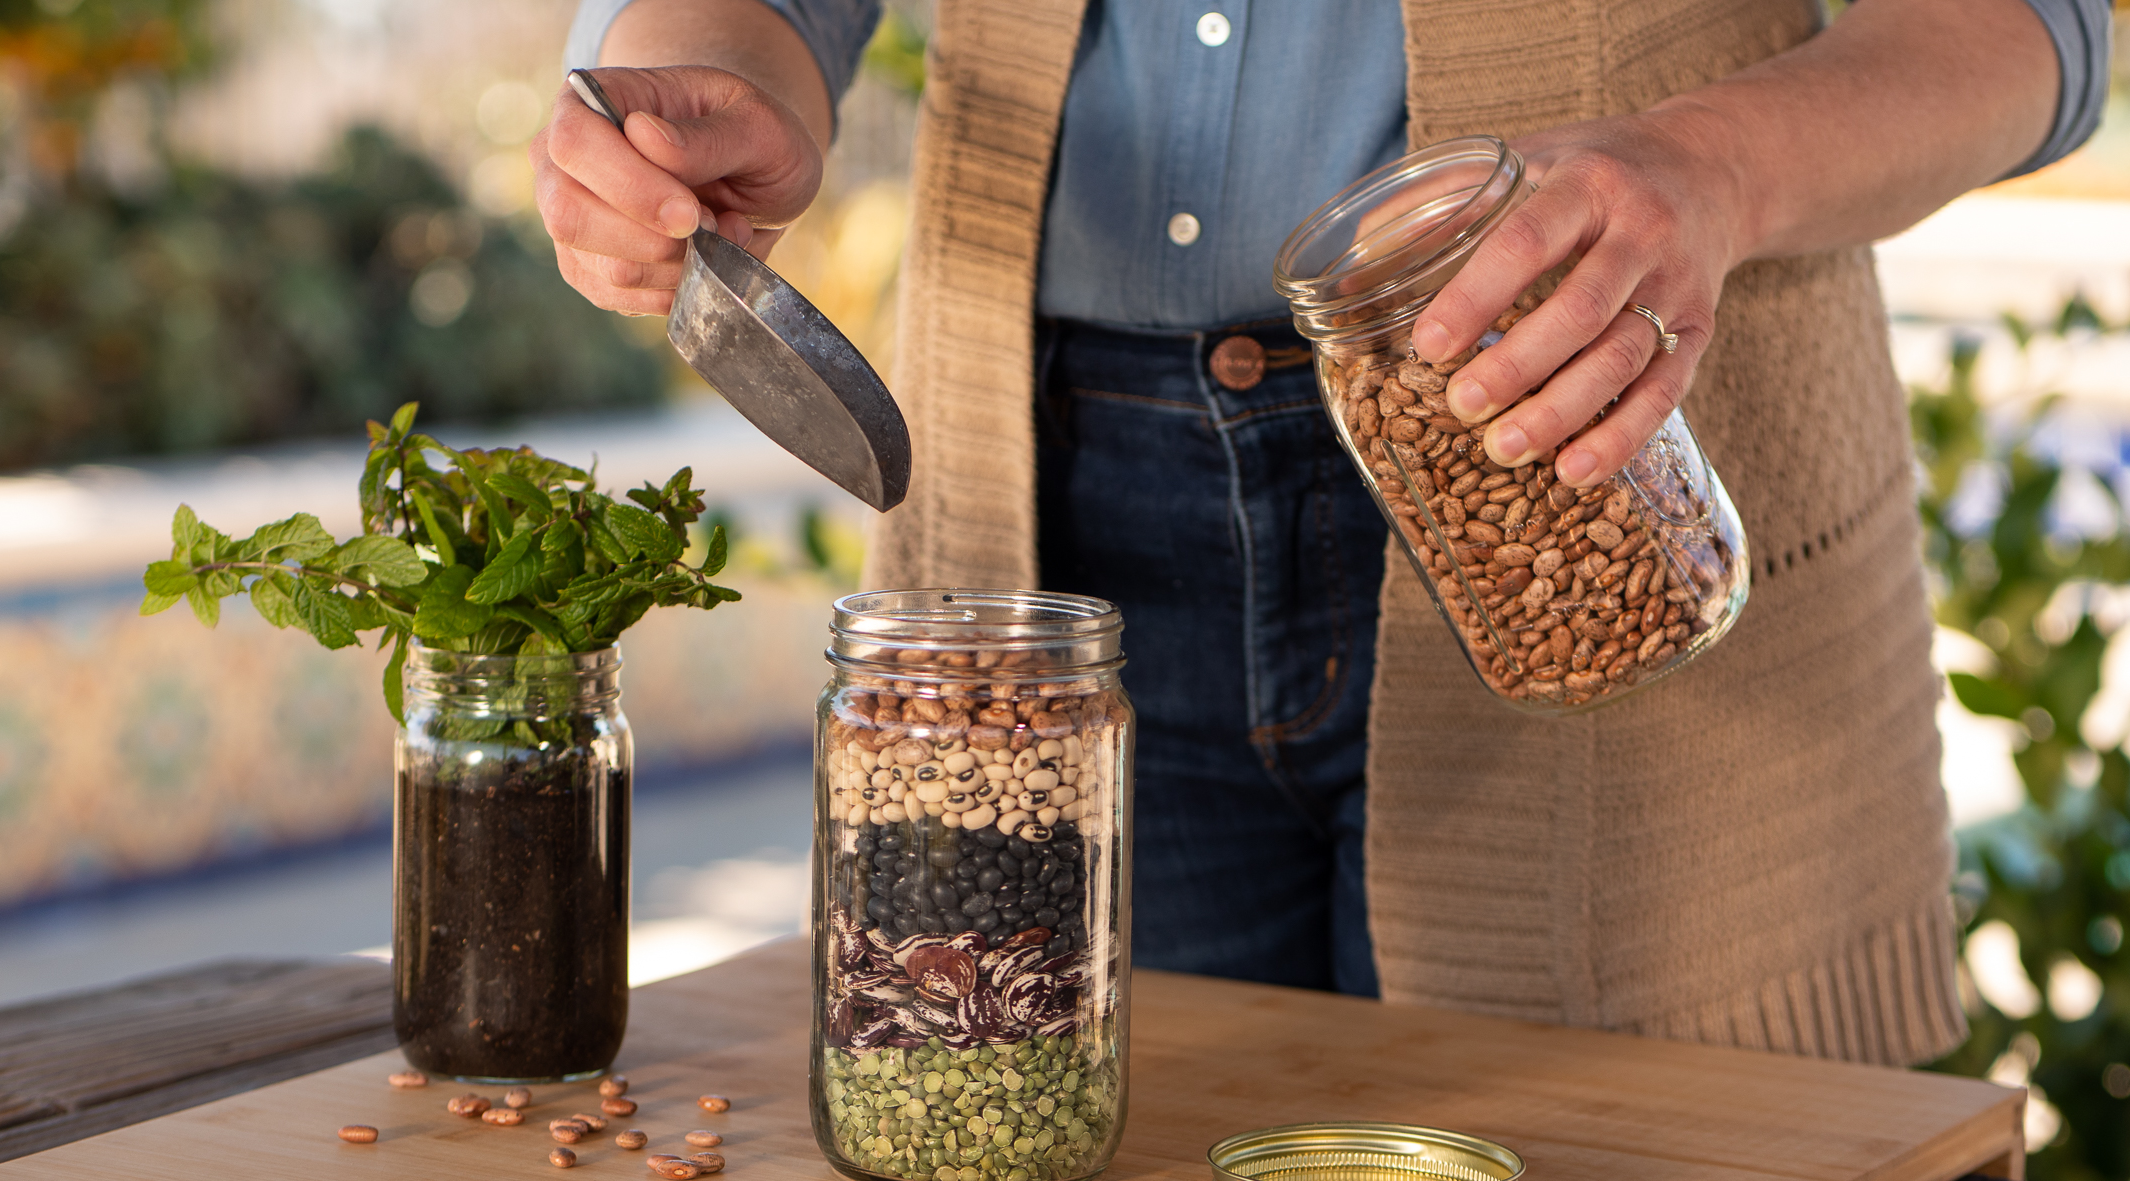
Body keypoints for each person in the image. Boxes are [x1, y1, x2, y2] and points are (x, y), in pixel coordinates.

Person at [540, 0, 2112, 1063]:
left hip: (1613, 485)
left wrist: (1710, 168)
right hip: (1040, 522)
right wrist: (699, 92)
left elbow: (2028, 29)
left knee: (1651, 1174)